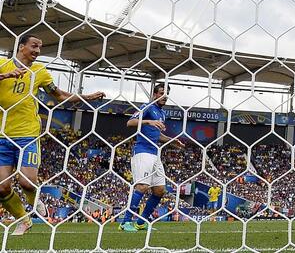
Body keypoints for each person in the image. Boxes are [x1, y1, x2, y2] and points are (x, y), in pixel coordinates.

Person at [0, 34, 105, 235]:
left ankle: (36, 200)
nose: (38, 51)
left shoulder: (40, 71)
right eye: (34, 46)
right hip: (2, 135)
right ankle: (23, 220)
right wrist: (5, 76)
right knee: (2, 188)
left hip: (27, 134)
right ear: (21, 46)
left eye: (40, 47)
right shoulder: (2, 64)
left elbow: (60, 96)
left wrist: (87, 97)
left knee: (26, 181)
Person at [120, 84, 184, 232]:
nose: (165, 96)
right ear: (155, 94)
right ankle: (125, 223)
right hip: (143, 152)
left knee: (160, 190)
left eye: (166, 93)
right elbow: (130, 122)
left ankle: (141, 222)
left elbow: (158, 135)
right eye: (162, 93)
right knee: (142, 186)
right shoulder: (146, 107)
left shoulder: (162, 114)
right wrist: (148, 121)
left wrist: (172, 141)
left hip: (155, 154)